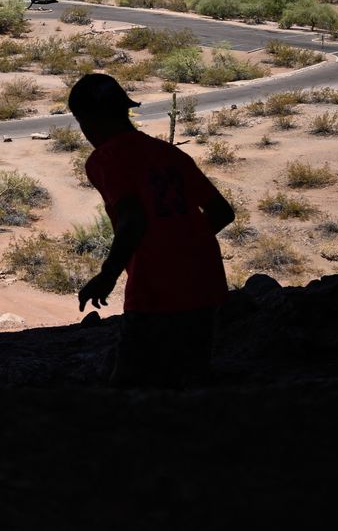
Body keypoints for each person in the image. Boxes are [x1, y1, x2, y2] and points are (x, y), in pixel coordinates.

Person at [68, 73, 236, 387]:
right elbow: (222, 213)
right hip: (205, 281)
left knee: (131, 380)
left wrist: (108, 275)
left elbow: (132, 220)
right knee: (192, 377)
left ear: (88, 119)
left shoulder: (105, 159)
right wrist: (185, 243)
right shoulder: (171, 154)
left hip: (154, 285)